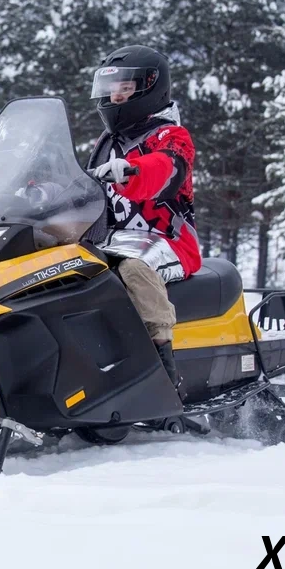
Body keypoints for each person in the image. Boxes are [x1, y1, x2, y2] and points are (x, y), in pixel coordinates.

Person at [86, 44, 202, 400]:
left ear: (150, 87)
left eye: (125, 88)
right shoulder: (107, 142)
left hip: (167, 240)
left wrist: (134, 170)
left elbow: (166, 168)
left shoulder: (170, 136)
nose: (115, 96)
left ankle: (164, 376)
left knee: (134, 269)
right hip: (114, 240)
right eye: (111, 88)